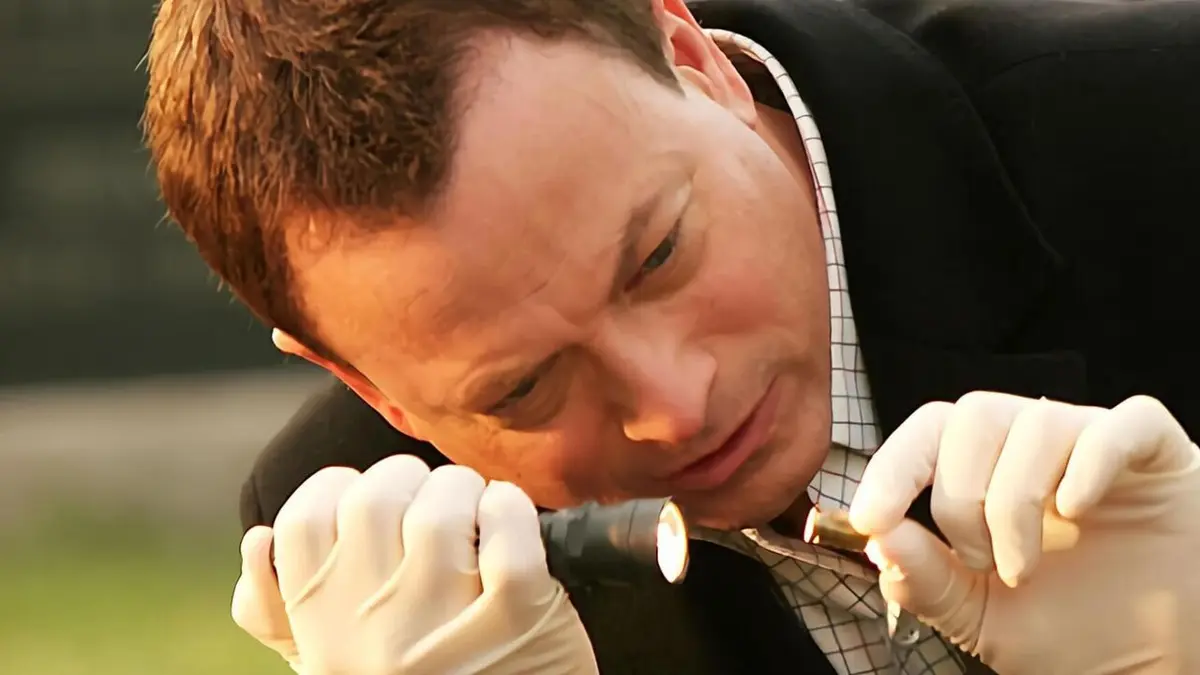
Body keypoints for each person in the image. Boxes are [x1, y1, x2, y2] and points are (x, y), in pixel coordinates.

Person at [142, 0, 1200, 673]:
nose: (675, 406)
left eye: (657, 255)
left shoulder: (1162, 125)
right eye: (524, 388)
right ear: (371, 387)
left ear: (696, 58)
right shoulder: (380, 559)